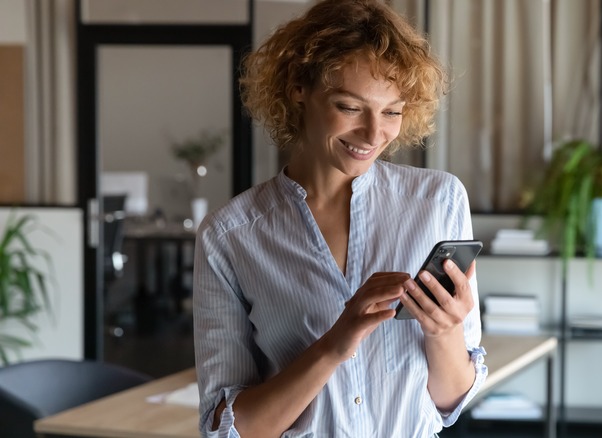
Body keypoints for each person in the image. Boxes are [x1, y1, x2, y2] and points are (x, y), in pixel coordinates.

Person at [193, 0, 487, 436]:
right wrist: (333, 345)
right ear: (298, 87)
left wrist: (444, 331)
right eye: (350, 107)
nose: (374, 135)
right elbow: (226, 429)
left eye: (391, 111)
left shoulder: (439, 201)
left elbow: (450, 402)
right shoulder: (231, 236)